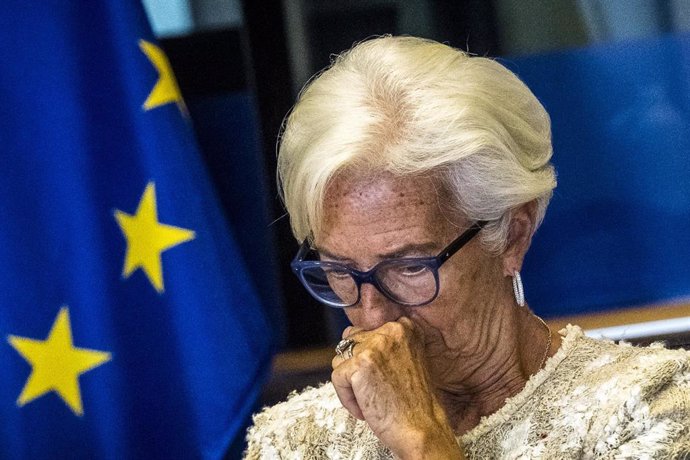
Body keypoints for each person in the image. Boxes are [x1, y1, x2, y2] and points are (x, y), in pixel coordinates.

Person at [244, 36, 690, 459]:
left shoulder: (653, 411)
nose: (374, 317)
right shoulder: (293, 441)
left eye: (410, 266)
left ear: (512, 235)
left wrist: (421, 439)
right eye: (340, 270)